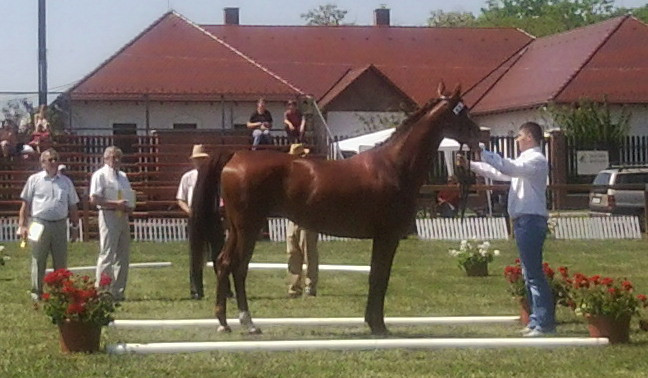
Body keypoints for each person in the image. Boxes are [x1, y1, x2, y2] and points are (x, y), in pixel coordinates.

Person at [461, 122, 554, 337]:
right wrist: (471, 164)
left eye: (520, 136)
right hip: (524, 221)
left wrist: (482, 150)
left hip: (531, 221)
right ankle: (536, 319)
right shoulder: (525, 161)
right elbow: (499, 172)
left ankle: (544, 322)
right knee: (528, 272)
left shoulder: (536, 160)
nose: (517, 140)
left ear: (529, 137)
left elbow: (507, 168)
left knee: (533, 274)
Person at [18, 148, 80, 301]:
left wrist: (75, 227)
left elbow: (73, 206)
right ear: (42, 163)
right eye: (50, 159)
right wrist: (23, 225)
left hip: (60, 224)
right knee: (38, 258)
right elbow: (25, 204)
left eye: (55, 159)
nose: (53, 162)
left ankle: (60, 292)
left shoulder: (66, 182)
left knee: (60, 260)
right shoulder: (34, 179)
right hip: (38, 223)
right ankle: (36, 292)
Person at [90, 146, 134, 301]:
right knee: (107, 253)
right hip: (108, 215)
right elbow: (94, 199)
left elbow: (128, 194)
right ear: (105, 158)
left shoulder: (122, 176)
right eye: (113, 157)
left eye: (118, 158)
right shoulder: (100, 175)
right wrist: (115, 203)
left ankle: (118, 290)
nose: (116, 161)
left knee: (123, 254)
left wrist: (129, 206)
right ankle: (102, 289)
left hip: (122, 215)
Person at [177, 144, 221, 300]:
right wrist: (189, 211)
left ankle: (224, 288)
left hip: (212, 215)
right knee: (196, 255)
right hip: (195, 216)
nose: (200, 162)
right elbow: (180, 199)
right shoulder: (187, 177)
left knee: (218, 253)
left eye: (202, 159)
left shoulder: (215, 177)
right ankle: (196, 290)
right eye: (197, 160)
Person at [285, 143, 319, 297]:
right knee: (292, 252)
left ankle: (310, 286)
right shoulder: (289, 175)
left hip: (308, 217)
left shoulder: (310, 174)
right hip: (293, 217)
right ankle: (294, 286)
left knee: (309, 253)